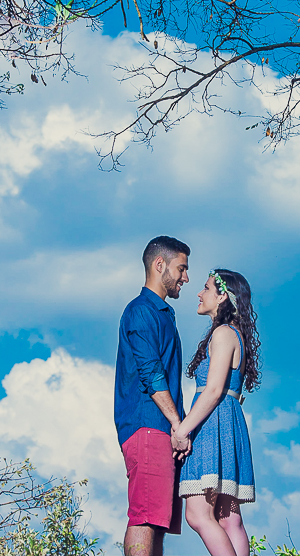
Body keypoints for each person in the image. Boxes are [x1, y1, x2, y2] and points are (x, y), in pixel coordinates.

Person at [174, 269, 261, 556]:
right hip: (228, 423)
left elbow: (213, 390)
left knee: (198, 515)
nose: (199, 294)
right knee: (229, 518)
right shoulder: (235, 334)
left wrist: (182, 429)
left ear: (222, 296)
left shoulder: (223, 334)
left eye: (206, 288)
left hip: (213, 426)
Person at [115, 235, 191, 556]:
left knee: (157, 521)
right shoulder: (141, 312)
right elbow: (151, 373)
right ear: (160, 266)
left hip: (162, 428)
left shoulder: (162, 313)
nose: (186, 277)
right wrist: (177, 424)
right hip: (149, 425)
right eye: (181, 268)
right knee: (145, 516)